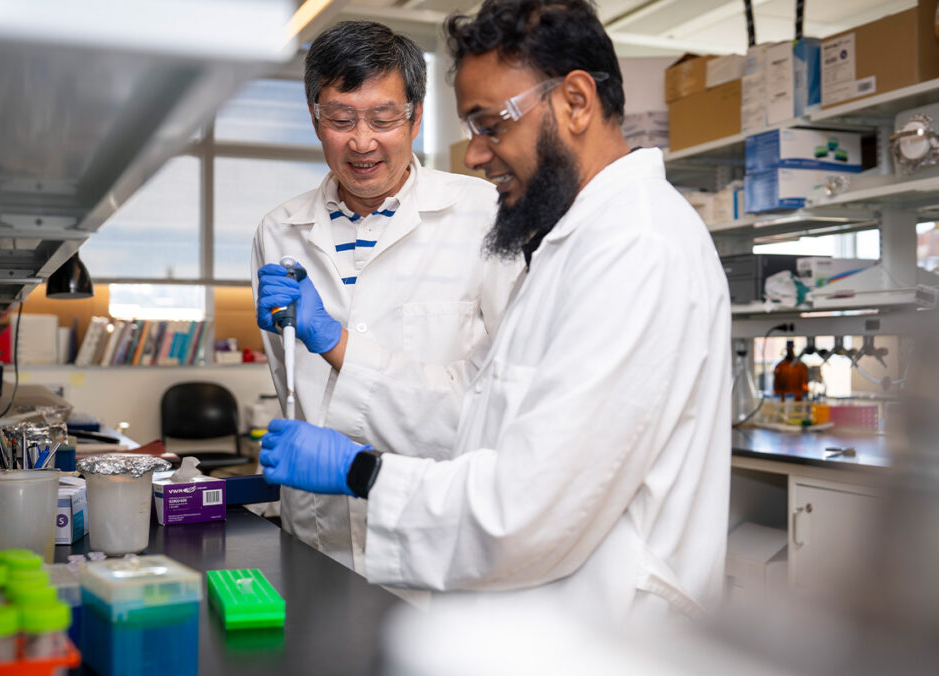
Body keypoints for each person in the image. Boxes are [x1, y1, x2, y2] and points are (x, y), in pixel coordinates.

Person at [258, 0, 732, 626]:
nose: (476, 154)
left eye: (489, 124)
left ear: (576, 101)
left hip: (609, 631)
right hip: (518, 603)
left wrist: (360, 469)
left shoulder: (636, 249)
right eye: (341, 119)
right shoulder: (572, 242)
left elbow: (529, 509)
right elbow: (483, 408)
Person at [252, 21, 522, 574]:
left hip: (436, 535)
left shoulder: (485, 215)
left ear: (416, 117)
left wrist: (335, 342)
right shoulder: (278, 231)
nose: (362, 141)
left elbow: (497, 401)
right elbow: (291, 385)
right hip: (317, 532)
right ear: (315, 118)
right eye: (341, 118)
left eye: (383, 118)